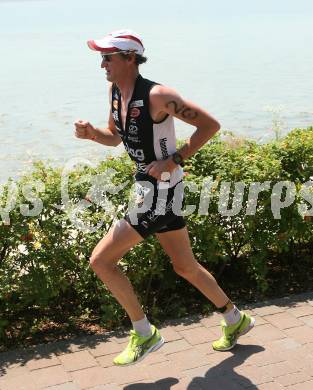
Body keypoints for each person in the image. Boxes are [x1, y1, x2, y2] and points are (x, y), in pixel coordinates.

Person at [74, 29, 255, 366]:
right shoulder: (115, 92)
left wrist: (175, 159)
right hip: (150, 188)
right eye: (101, 58)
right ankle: (235, 319)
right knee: (184, 266)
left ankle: (144, 333)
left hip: (162, 192)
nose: (102, 65)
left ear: (130, 58)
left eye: (108, 58)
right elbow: (114, 138)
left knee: (101, 261)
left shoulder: (159, 95)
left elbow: (210, 126)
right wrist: (90, 135)